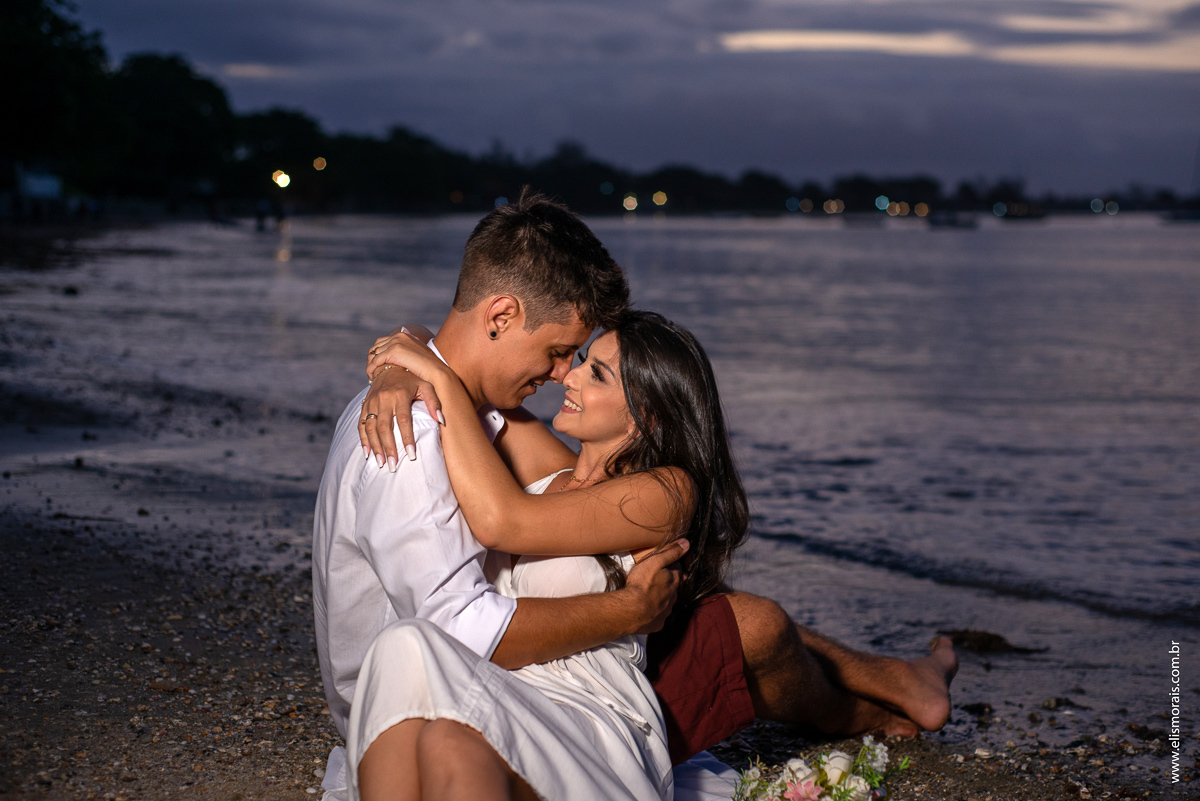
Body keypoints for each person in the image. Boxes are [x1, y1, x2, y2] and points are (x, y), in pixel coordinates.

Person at [313, 192, 699, 801]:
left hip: (512, 699)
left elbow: (508, 519)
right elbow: (464, 620)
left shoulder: (490, 425)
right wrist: (629, 610)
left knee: (416, 662)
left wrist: (415, 359)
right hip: (410, 708)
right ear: (501, 316)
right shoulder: (410, 436)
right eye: (558, 352)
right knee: (413, 657)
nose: (561, 375)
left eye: (585, 366)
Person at [348, 310, 771, 800]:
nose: (567, 375)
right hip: (505, 686)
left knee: (408, 650)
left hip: (593, 709)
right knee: (435, 720)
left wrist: (434, 374)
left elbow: (502, 521)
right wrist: (399, 371)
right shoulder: (550, 468)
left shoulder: (666, 493)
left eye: (596, 374)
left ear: (645, 415)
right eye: (583, 360)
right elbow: (453, 349)